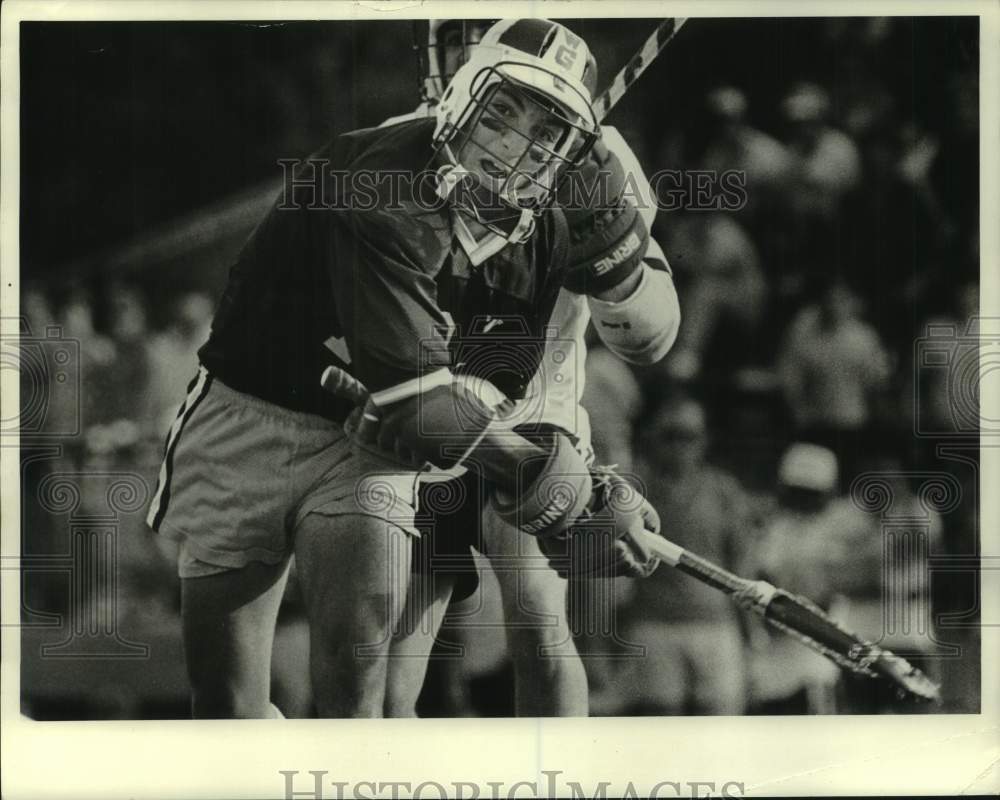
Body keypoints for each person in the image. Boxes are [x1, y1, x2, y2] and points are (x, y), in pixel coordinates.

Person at [146, 17, 669, 718]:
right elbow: (425, 407)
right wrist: (568, 497)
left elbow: (486, 393)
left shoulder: (546, 226)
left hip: (364, 449)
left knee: (360, 679)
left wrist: (584, 491)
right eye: (502, 114)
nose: (514, 146)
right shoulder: (378, 181)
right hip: (253, 413)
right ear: (458, 95)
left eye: (544, 133)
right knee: (228, 707)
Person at [379, 18, 681, 717]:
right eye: (456, 38)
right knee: (401, 635)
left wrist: (611, 250)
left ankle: (559, 777)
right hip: (428, 408)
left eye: (476, 36)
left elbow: (649, 334)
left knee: (538, 622)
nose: (462, 52)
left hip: (532, 416)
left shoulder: (602, 155)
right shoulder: (398, 142)